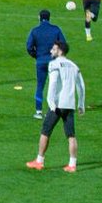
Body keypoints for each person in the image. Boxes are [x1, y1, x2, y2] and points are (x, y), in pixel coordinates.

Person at [26, 41, 86, 172]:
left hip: (57, 105)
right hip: (70, 105)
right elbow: (81, 86)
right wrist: (81, 104)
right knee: (71, 135)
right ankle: (72, 164)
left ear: (60, 51)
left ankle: (39, 160)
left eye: (53, 49)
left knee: (45, 131)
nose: (51, 51)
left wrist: (50, 102)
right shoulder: (74, 66)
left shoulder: (54, 64)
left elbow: (52, 83)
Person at [26, 9, 66, 119]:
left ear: (39, 17)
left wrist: (36, 55)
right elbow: (63, 44)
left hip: (41, 62)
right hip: (54, 62)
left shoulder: (35, 31)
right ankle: (57, 109)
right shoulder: (56, 29)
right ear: (49, 18)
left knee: (40, 86)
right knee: (57, 85)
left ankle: (38, 112)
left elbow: (29, 47)